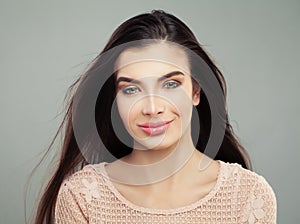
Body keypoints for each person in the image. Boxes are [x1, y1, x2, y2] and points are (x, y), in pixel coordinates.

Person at [33, 10, 277, 224]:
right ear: (116, 100)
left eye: (170, 84)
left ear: (195, 91)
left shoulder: (249, 196)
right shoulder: (83, 197)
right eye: (131, 89)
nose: (152, 107)